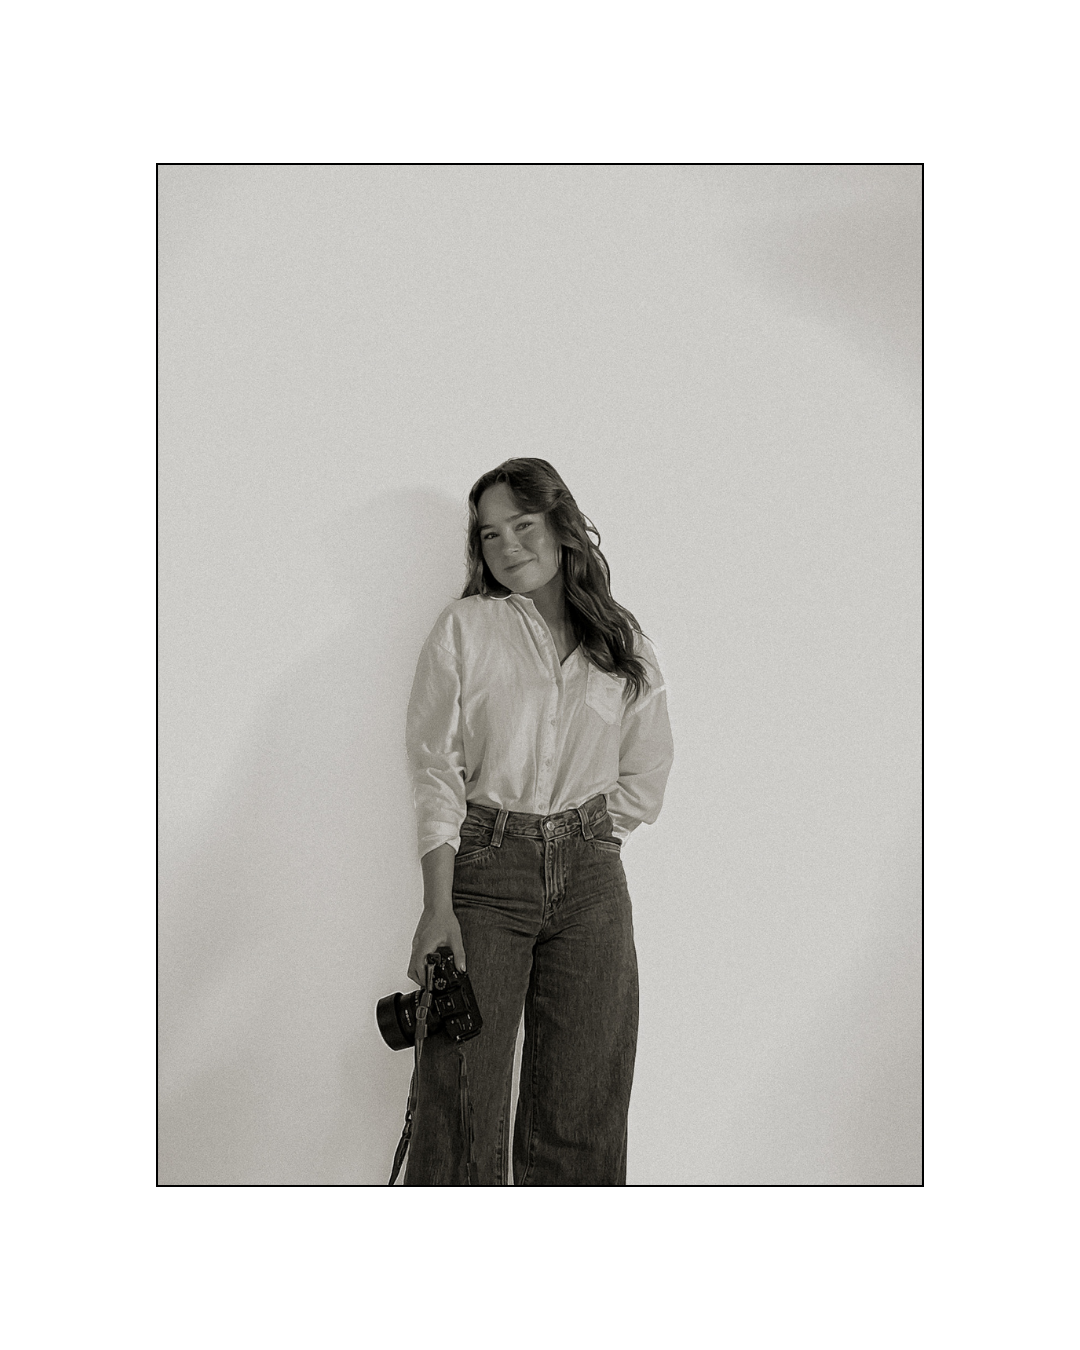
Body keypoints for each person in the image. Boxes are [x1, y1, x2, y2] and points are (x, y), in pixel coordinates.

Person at [402, 458, 674, 1185]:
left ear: (561, 525)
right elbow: (436, 770)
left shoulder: (619, 639)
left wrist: (592, 837)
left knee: (583, 1104)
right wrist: (437, 907)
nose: (507, 545)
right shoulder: (466, 628)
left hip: (591, 882)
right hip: (486, 872)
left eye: (522, 525)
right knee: (460, 1098)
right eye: (490, 534)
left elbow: (646, 768)